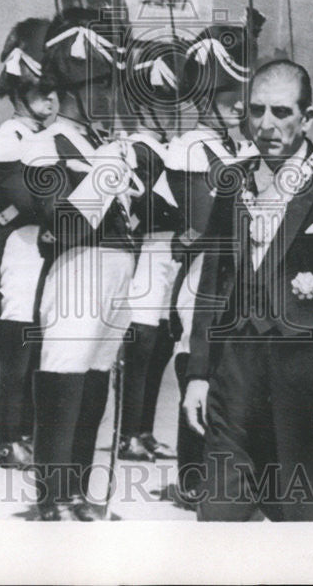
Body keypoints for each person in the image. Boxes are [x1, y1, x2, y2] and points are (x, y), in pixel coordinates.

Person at [183, 58, 313, 521]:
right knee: (218, 526)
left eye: (281, 113)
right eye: (256, 111)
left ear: (307, 118)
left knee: (306, 534)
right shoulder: (232, 184)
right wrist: (199, 373)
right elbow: (213, 285)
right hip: (233, 386)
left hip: (307, 391)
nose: (267, 125)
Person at [19, 8, 139, 521]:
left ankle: (79, 490)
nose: (110, 98)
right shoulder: (46, 145)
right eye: (101, 86)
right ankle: (51, 497)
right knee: (64, 384)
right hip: (76, 272)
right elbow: (64, 223)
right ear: (75, 89)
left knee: (94, 386)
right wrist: (108, 175)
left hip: (115, 271)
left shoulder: (103, 144)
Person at [165, 18, 258, 506]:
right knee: (197, 368)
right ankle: (190, 473)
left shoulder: (241, 146)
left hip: (242, 273)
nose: (239, 103)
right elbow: (201, 222)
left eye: (240, 91)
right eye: (227, 93)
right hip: (204, 275)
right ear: (204, 97)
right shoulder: (189, 147)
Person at [0, 17, 57, 468]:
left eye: (54, 92)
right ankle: (10, 438)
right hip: (24, 250)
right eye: (41, 92)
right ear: (19, 91)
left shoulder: (52, 136)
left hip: (51, 247)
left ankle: (32, 432)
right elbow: (23, 200)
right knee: (19, 348)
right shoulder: (6, 137)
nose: (51, 100)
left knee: (46, 345)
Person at [116, 39, 184, 461]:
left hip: (169, 255)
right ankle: (128, 432)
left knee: (159, 346)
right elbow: (142, 204)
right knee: (141, 344)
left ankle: (144, 428)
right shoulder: (137, 148)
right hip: (146, 251)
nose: (170, 110)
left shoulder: (166, 147)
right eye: (161, 102)